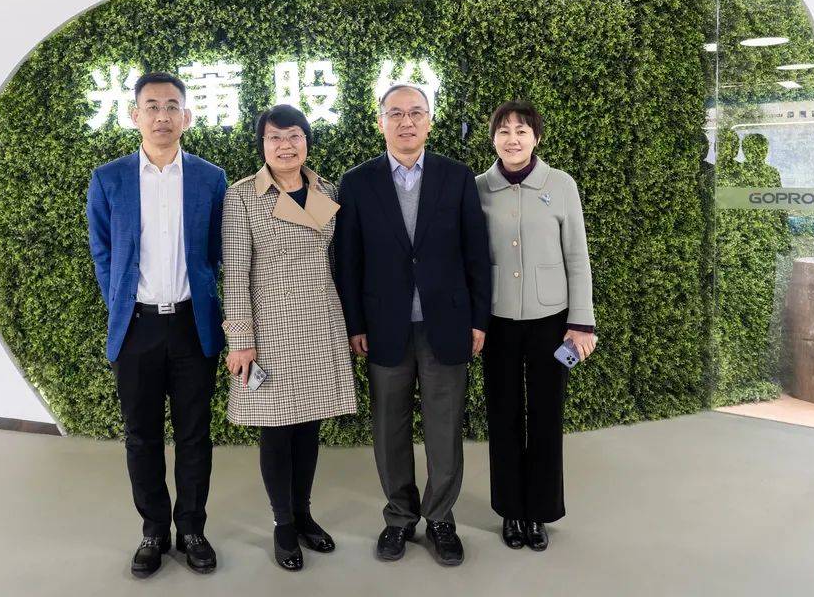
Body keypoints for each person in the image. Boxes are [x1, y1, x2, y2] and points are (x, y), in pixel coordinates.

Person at [335, 84, 491, 567]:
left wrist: (479, 320)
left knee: (445, 427)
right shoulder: (357, 182)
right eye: (396, 113)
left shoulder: (456, 176)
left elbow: (476, 253)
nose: (406, 122)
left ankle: (441, 518)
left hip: (447, 323)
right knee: (389, 427)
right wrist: (355, 323)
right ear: (380, 120)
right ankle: (400, 517)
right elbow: (348, 261)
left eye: (416, 113)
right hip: (384, 326)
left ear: (429, 121)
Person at [86, 71, 227, 578]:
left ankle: (191, 529)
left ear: (186, 116)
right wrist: (121, 304)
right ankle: (153, 530)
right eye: (152, 106)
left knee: (194, 435)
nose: (162, 116)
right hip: (137, 328)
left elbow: (217, 251)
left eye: (171, 106)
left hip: (192, 325)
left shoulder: (210, 178)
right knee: (141, 436)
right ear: (134, 115)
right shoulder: (110, 178)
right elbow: (103, 251)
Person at [222, 104, 358, 571]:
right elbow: (235, 274)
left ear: (306, 141)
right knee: (277, 430)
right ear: (262, 145)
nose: (285, 146)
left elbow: (334, 261)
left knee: (309, 426)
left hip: (320, 322)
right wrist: (241, 339)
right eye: (275, 137)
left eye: (294, 136)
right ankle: (283, 524)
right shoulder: (242, 196)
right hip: (271, 329)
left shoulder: (325, 190)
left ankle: (303, 514)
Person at [475, 100, 597, 552]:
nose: (512, 139)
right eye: (504, 131)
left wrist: (581, 323)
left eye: (521, 131)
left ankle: (540, 511)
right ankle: (511, 509)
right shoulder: (478, 188)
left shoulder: (561, 185)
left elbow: (577, 256)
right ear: (493, 139)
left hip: (552, 321)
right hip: (498, 320)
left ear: (536, 138)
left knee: (546, 415)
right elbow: (471, 260)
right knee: (503, 413)